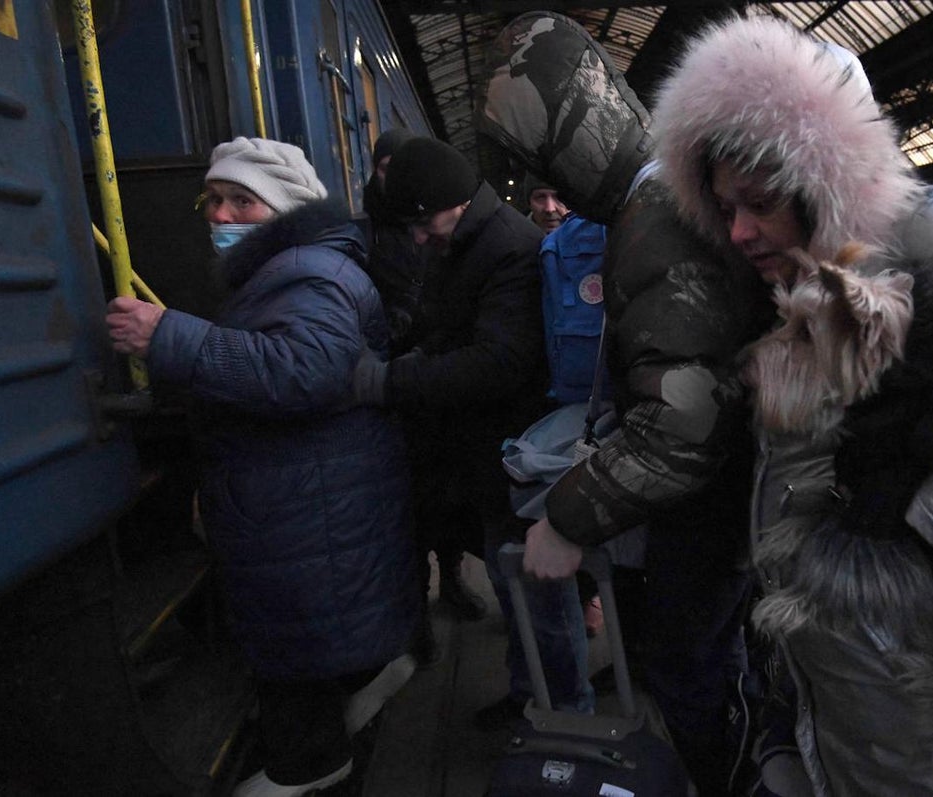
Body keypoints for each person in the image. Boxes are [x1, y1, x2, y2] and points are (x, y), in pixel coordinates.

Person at [649, 16, 933, 795]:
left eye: (758, 202)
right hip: (847, 709)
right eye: (724, 207)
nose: (739, 230)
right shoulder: (791, 282)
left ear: (823, 179)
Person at [478, 13, 774, 795]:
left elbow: (685, 422)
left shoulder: (658, 220)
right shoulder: (660, 203)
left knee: (690, 670)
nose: (554, 190)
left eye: (547, 161)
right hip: (730, 503)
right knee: (704, 661)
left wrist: (570, 516)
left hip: (711, 512)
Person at [105, 136, 418, 797]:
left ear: (281, 211)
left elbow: (303, 371)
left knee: (295, 647)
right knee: (309, 634)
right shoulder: (301, 265)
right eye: (213, 199)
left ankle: (310, 764)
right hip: (307, 494)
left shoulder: (309, 273)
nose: (220, 215)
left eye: (242, 201)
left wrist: (167, 336)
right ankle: (365, 685)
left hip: (305, 503)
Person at [350, 136, 595, 724]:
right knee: (516, 587)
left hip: (517, 455)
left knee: (538, 595)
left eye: (422, 221)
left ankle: (565, 717)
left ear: (453, 201)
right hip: (494, 455)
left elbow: (498, 362)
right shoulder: (470, 242)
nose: (418, 236)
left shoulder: (506, 248)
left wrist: (390, 383)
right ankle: (530, 696)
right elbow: (454, 328)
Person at [362, 129, 489, 654]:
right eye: (384, 167)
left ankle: (451, 579)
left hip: (434, 376)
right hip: (397, 384)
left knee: (445, 501)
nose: (393, 177)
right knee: (408, 508)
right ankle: (416, 613)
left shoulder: (439, 225)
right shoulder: (369, 233)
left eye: (399, 167)